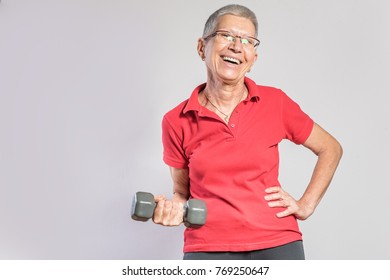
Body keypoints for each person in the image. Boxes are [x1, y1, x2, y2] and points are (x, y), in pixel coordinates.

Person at [153, 4, 343, 260]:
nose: (236, 46)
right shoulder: (176, 120)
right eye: (226, 35)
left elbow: (330, 148)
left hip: (277, 243)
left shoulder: (276, 103)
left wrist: (306, 204)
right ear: (202, 47)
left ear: (252, 58)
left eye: (247, 41)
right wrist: (171, 209)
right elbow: (182, 192)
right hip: (208, 247)